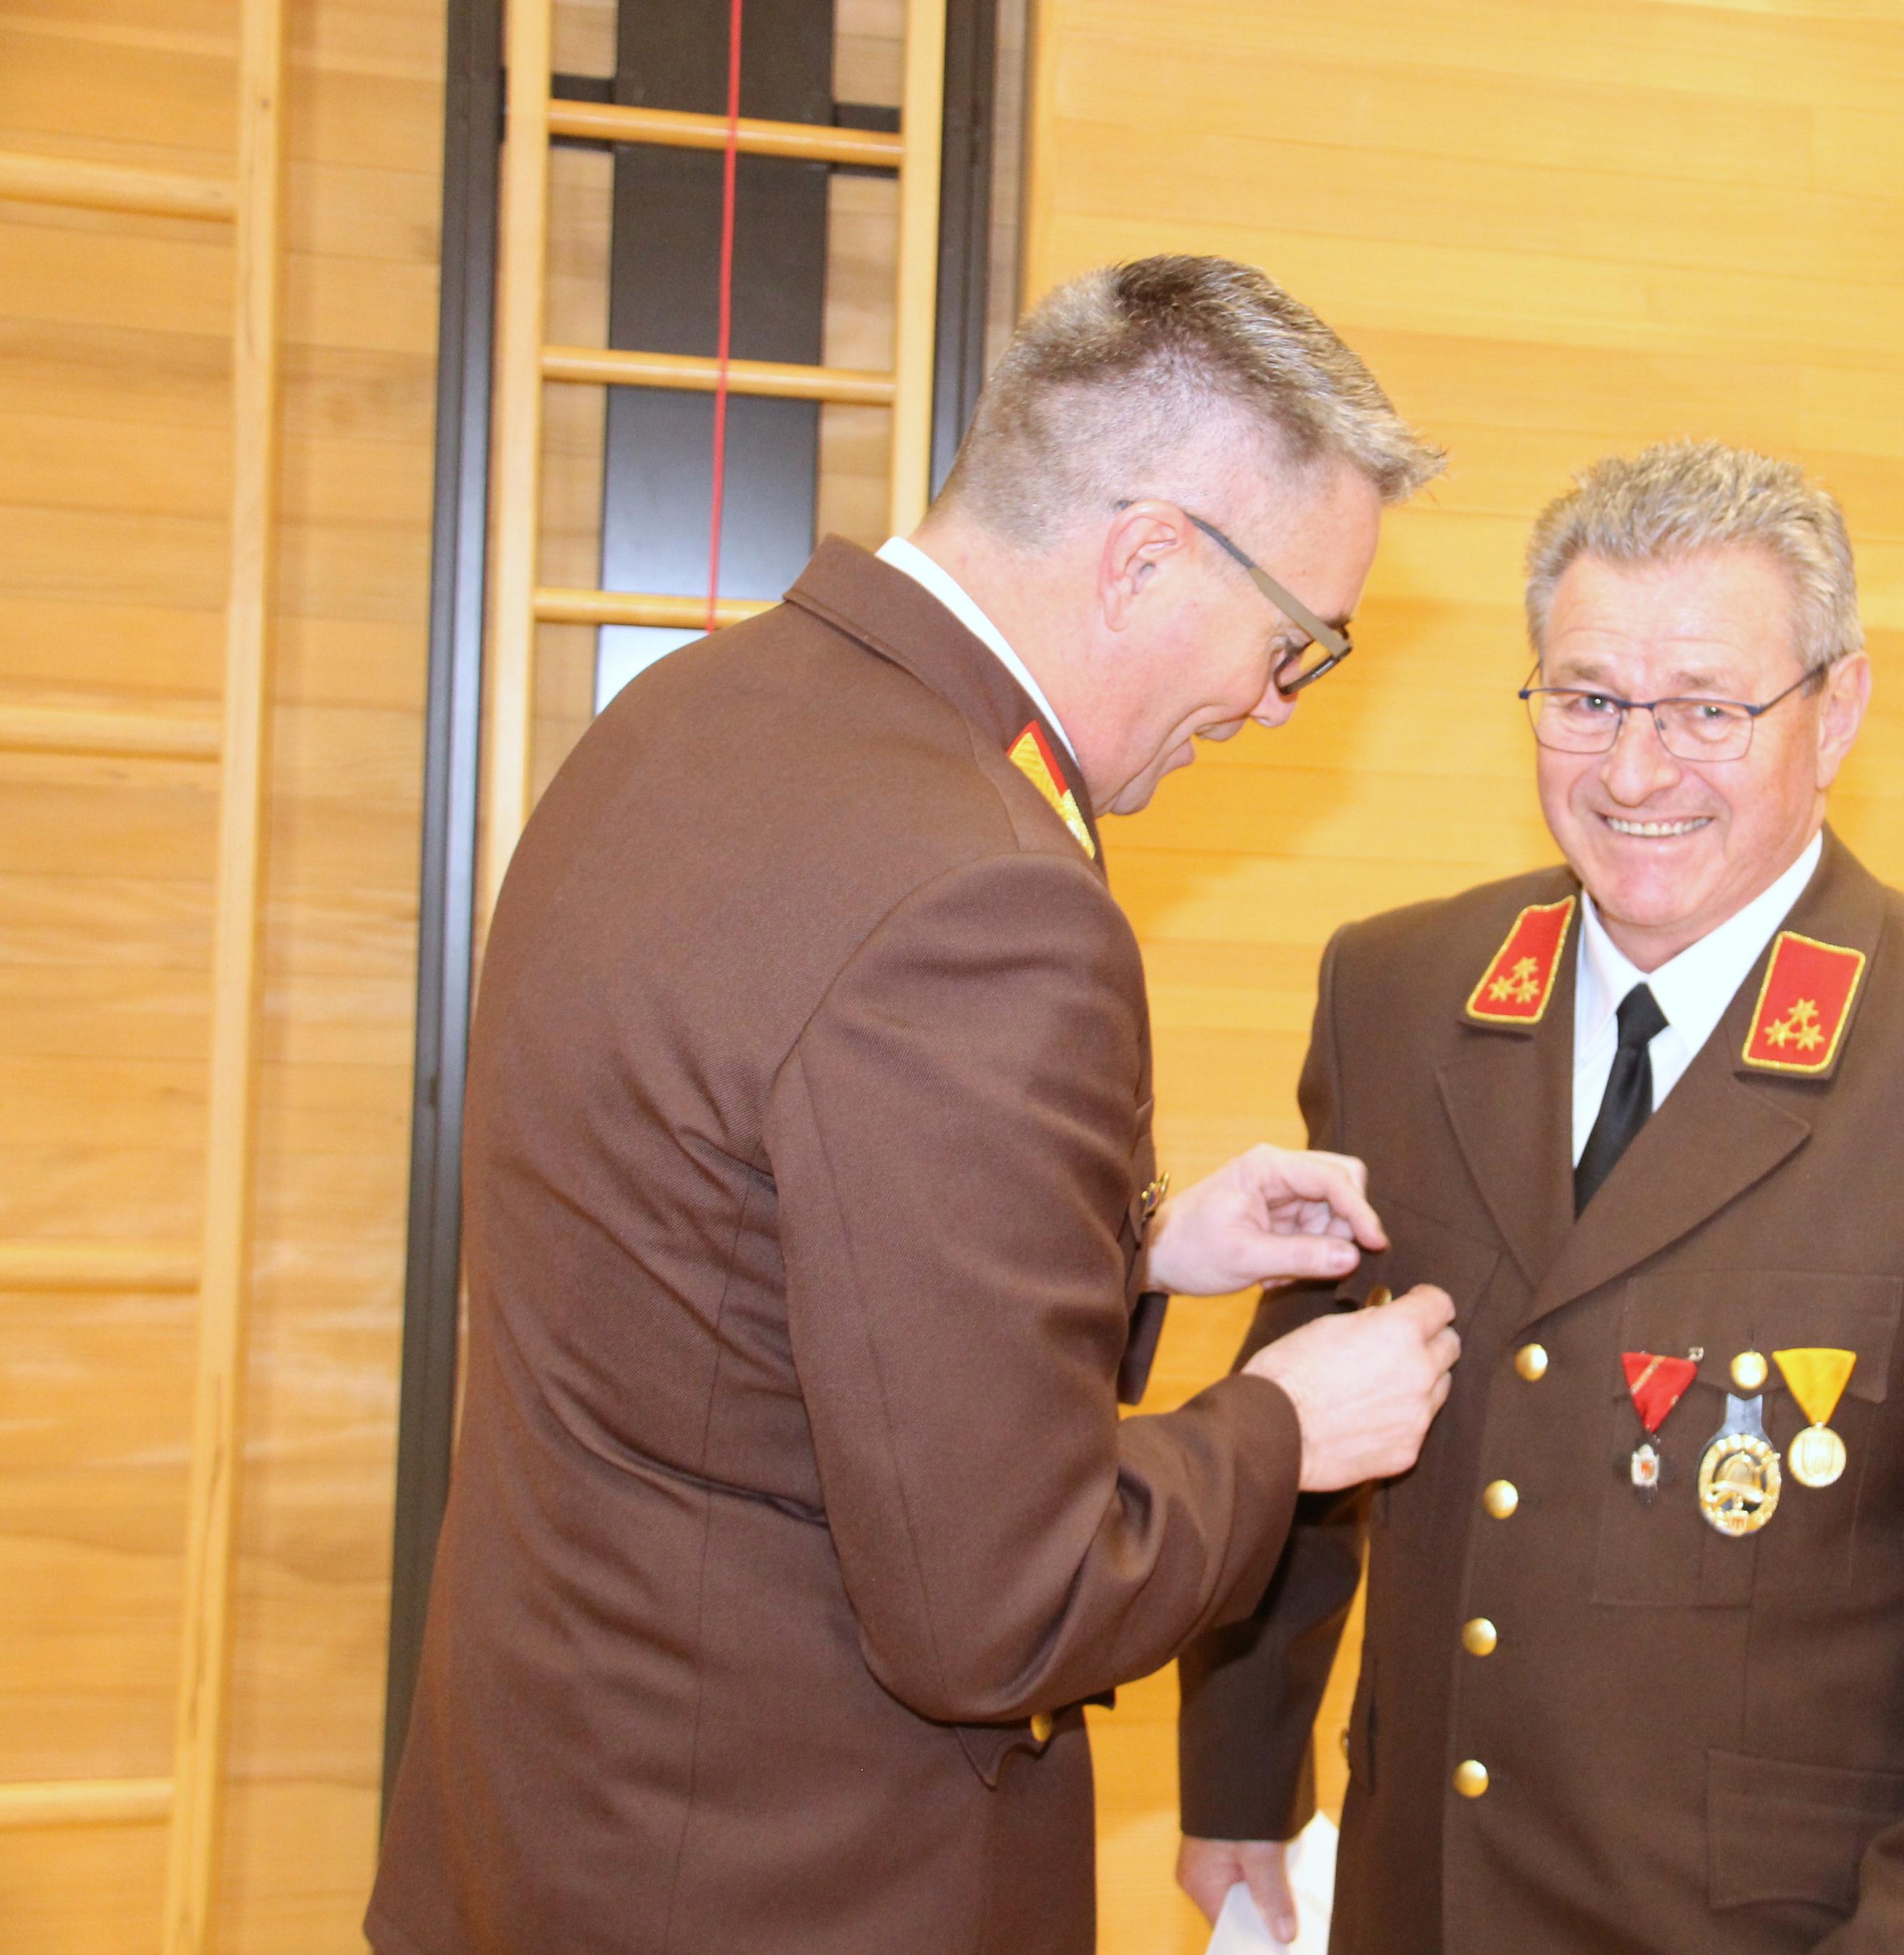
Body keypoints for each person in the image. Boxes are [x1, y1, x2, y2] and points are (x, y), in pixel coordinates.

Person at [369, 257, 1464, 1954]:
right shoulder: (983, 894)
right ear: (1143, 559)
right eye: (1292, 646)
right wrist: (1283, 1430)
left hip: (555, 1819)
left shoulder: (698, 711)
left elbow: (726, 1251)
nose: (1269, 704)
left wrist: (1136, 1248)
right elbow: (1004, 1605)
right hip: (783, 1877)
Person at [1175, 441, 1904, 1952]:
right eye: (1586, 700)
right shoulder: (1398, 992)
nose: (1634, 774)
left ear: (1836, 712)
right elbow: (1305, 1424)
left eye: (1709, 711)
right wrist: (1242, 1778)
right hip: (1415, 1904)